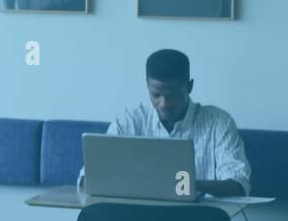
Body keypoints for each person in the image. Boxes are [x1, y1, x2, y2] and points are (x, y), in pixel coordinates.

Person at [84, 48, 250, 197]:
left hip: (198, 216)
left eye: (173, 95)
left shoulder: (218, 122)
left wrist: (187, 186)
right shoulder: (129, 120)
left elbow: (238, 183)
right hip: (136, 215)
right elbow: (89, 178)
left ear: (190, 86)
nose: (164, 104)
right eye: (156, 95)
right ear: (147, 86)